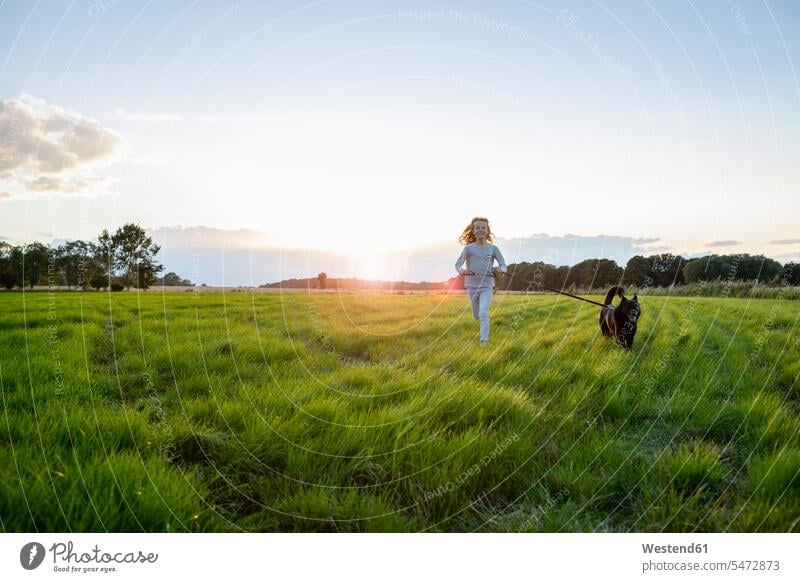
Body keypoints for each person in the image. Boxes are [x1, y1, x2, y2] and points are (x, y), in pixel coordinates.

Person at [454, 217, 507, 346]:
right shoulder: (469, 249)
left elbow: (503, 264)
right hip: (472, 286)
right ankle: (481, 328)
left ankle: (484, 342)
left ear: (487, 230)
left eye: (483, 227)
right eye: (477, 228)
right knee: (476, 316)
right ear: (473, 230)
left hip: (487, 287)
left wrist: (500, 269)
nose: (480, 230)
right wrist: (462, 271)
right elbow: (458, 264)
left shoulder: (493, 249)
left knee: (483, 313)